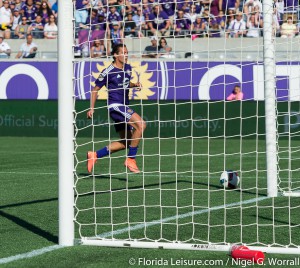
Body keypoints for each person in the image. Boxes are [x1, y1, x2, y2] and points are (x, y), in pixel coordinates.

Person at [87, 44, 146, 174]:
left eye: (127, 52)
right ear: (115, 55)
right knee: (141, 125)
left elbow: (125, 83)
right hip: (116, 106)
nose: (126, 55)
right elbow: (95, 90)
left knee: (126, 142)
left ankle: (95, 155)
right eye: (123, 52)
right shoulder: (108, 71)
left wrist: (134, 84)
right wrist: (91, 108)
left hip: (124, 106)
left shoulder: (128, 68)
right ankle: (131, 159)